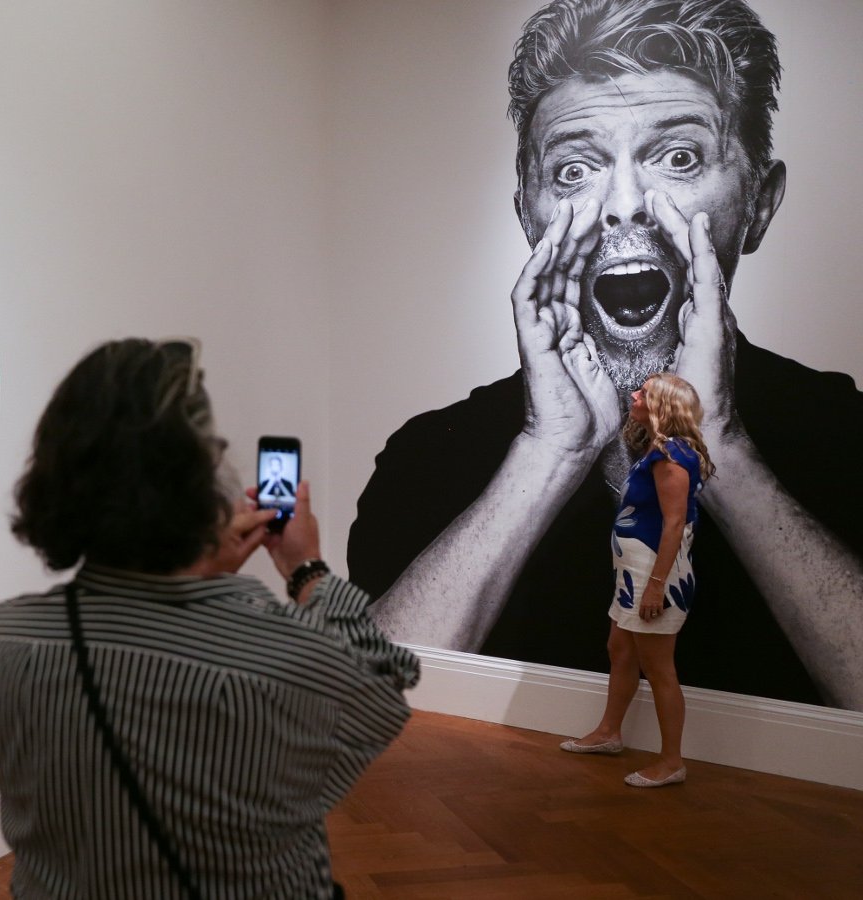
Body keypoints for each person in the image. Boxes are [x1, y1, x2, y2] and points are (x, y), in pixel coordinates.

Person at [349, 0, 863, 711]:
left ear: (759, 204)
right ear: (528, 213)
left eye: (679, 157)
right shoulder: (429, 459)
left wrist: (720, 448)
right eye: (573, 169)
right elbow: (362, 713)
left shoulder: (845, 437)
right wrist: (548, 453)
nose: (624, 204)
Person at [0, 338, 418, 899]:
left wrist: (196, 569)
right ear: (198, 487)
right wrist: (305, 568)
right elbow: (384, 678)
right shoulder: (279, 653)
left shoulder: (6, 638)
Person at [560, 373, 712, 787]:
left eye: (643, 393)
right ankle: (609, 733)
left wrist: (657, 584)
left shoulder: (670, 455)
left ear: (662, 405)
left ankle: (671, 761)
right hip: (635, 574)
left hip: (654, 575)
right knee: (620, 650)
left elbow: (675, 522)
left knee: (658, 668)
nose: (634, 394)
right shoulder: (657, 451)